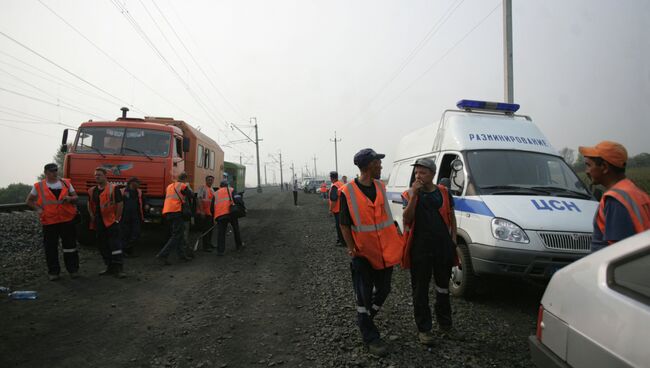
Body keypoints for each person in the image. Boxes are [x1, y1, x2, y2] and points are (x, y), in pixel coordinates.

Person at [339, 148, 404, 357]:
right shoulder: (347, 192)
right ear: (368, 166)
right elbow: (344, 224)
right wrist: (351, 248)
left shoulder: (381, 187)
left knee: (384, 290)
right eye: (378, 163)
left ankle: (366, 318)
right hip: (362, 254)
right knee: (363, 297)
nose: (381, 166)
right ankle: (370, 336)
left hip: (384, 251)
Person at [401, 158, 458, 346]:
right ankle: (424, 329)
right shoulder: (409, 194)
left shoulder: (444, 192)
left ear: (433, 174)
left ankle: (445, 325)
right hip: (420, 250)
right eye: (416, 172)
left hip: (442, 248)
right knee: (420, 290)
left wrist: (453, 240)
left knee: (443, 288)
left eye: (422, 172)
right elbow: (407, 219)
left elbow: (452, 216)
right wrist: (414, 196)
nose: (418, 175)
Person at [578, 141, 650, 251]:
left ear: (604, 167)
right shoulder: (637, 192)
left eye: (589, 165)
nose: (586, 171)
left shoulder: (615, 200)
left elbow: (618, 252)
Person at [26, 163, 79, 281]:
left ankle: (73, 270)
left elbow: (76, 197)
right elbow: (29, 201)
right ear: (46, 173)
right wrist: (39, 210)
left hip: (67, 220)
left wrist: (70, 198)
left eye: (56, 170)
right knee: (51, 248)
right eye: (52, 171)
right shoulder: (38, 186)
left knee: (70, 247)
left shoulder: (65, 183)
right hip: (49, 222)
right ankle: (54, 272)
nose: (55, 173)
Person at [88, 167, 125, 278]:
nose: (97, 177)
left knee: (115, 246)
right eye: (95, 175)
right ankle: (109, 266)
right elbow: (90, 204)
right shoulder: (92, 191)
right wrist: (92, 217)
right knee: (102, 245)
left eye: (99, 175)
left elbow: (120, 204)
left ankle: (118, 269)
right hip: (99, 221)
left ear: (105, 176)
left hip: (111, 221)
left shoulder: (113, 188)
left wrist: (117, 219)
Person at [157, 172, 193, 265]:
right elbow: (191, 195)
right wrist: (187, 185)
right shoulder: (183, 186)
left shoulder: (169, 186)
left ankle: (182, 256)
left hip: (168, 212)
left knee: (179, 234)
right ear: (184, 179)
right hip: (177, 211)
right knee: (176, 235)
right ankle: (162, 255)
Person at [213, 180, 243, 256]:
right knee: (236, 229)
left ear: (220, 186)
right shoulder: (231, 190)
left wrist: (215, 215)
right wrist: (242, 207)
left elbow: (211, 207)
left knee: (221, 233)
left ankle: (220, 251)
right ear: (227, 185)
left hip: (220, 215)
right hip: (231, 214)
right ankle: (239, 246)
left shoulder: (215, 193)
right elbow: (238, 199)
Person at [120, 177, 145, 257]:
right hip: (124, 216)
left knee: (136, 233)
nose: (139, 184)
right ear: (132, 183)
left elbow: (143, 200)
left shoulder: (139, 192)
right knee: (125, 234)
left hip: (136, 216)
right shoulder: (122, 191)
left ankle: (128, 249)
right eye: (137, 183)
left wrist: (147, 205)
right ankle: (125, 252)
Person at [196, 175, 216, 252]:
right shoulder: (202, 188)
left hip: (210, 213)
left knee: (210, 229)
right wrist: (201, 211)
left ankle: (209, 243)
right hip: (204, 212)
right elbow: (199, 199)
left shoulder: (212, 189)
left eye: (211, 180)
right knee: (206, 230)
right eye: (209, 180)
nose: (210, 181)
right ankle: (205, 246)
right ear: (206, 180)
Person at [328, 171, 344, 246]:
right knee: (343, 225)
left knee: (339, 226)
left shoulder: (334, 186)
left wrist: (330, 209)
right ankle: (341, 239)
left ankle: (341, 241)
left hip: (337, 209)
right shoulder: (341, 184)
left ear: (332, 178)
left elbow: (334, 200)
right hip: (343, 208)